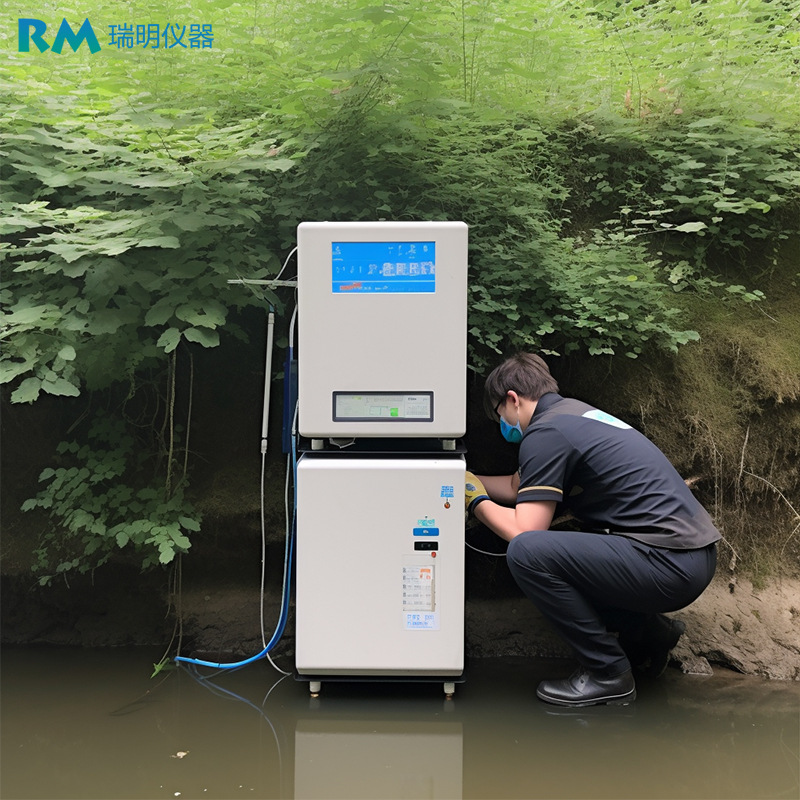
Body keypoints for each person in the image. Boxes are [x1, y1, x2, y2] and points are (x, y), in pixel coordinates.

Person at [465, 353, 720, 707]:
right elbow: (514, 485)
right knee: (569, 554)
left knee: (527, 554)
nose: (502, 425)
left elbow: (526, 530)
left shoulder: (546, 433)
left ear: (512, 399)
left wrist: (475, 502)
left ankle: (608, 673)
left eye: (499, 415)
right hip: (692, 556)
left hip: (669, 564)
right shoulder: (572, 416)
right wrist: (464, 477)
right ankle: (651, 636)